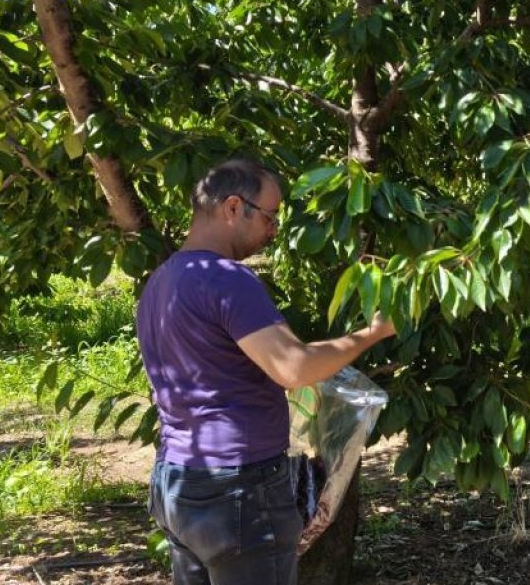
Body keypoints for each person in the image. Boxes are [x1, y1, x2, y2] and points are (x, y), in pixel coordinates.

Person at [137, 159, 396, 585]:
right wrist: (374, 333)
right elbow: (294, 367)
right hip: (237, 488)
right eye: (270, 216)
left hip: (178, 481)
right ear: (233, 207)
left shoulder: (160, 283)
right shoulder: (226, 279)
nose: (274, 230)